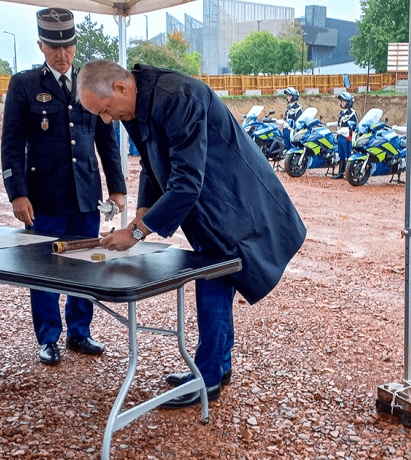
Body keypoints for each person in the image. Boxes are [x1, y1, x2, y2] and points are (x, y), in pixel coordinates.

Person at [76, 61, 307, 409]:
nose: (107, 120)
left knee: (213, 281)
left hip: (235, 203)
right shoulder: (137, 105)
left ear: (121, 88)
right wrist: (143, 210)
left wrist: (137, 232)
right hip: (211, 206)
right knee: (215, 281)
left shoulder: (178, 98)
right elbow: (152, 167)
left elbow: (185, 184)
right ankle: (215, 368)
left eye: (106, 110)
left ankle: (208, 378)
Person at [0, 8, 127, 366]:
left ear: (74, 44)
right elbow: (11, 143)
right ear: (41, 45)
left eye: (67, 46)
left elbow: (107, 140)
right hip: (42, 198)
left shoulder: (92, 83)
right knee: (43, 267)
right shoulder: (24, 85)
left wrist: (116, 187)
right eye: (53, 47)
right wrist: (17, 193)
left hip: (86, 195)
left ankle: (80, 332)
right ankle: (48, 337)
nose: (61, 54)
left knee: (85, 263)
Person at [332, 92, 358, 179]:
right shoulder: (342, 113)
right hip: (340, 136)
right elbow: (339, 124)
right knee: (341, 154)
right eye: (342, 101)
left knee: (348, 154)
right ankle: (340, 172)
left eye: (344, 101)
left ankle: (349, 173)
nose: (342, 103)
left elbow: (352, 127)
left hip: (347, 137)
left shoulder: (352, 113)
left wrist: (341, 131)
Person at [282, 87, 303, 152]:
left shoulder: (298, 107)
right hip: (286, 130)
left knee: (292, 148)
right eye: (287, 96)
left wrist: (292, 129)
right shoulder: (288, 108)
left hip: (292, 131)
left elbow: (299, 120)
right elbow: (285, 119)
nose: (288, 97)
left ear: (294, 97)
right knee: (287, 147)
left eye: (290, 96)